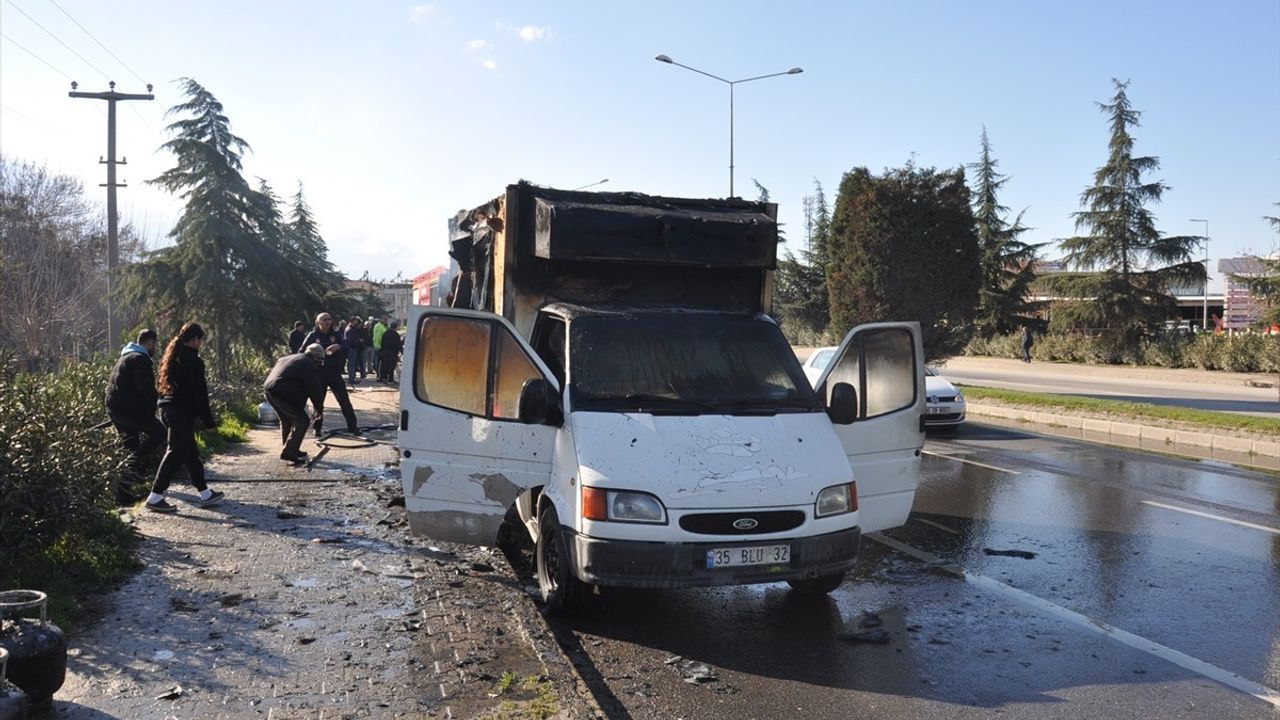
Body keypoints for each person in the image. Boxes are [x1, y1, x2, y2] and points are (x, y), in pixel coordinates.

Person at [145, 322, 225, 514]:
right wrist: (209, 422)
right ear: (195, 339)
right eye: (201, 340)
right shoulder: (193, 361)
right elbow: (200, 394)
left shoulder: (173, 357)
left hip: (167, 409)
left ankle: (204, 493)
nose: (201, 344)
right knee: (175, 452)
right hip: (181, 412)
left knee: (190, 453)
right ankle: (155, 495)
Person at [106, 329, 164, 498]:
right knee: (159, 432)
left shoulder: (125, 356)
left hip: (115, 409)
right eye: (155, 345)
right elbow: (146, 390)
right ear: (151, 343)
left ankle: (122, 493)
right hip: (128, 411)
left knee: (130, 445)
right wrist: (160, 399)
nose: (155, 349)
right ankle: (135, 466)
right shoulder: (140, 360)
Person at [301, 312, 361, 437]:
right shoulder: (313, 335)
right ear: (318, 322)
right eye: (324, 320)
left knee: (344, 400)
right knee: (318, 402)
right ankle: (317, 428)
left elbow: (346, 346)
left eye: (329, 319)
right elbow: (301, 352)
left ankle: (353, 426)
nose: (327, 322)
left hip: (334, 372)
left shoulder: (335, 334)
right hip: (319, 374)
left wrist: (338, 346)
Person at [265, 344, 326, 464]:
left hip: (269, 391)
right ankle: (289, 452)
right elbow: (313, 389)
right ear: (316, 357)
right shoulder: (308, 365)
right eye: (320, 360)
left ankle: (290, 448)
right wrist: (319, 409)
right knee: (302, 421)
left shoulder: (292, 358)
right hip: (283, 394)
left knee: (286, 421)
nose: (320, 363)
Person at [344, 314, 366, 384]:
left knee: (353, 364)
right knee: (351, 364)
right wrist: (358, 340)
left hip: (354, 348)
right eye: (355, 321)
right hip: (352, 348)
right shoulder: (350, 329)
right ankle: (351, 379)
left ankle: (352, 378)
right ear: (353, 321)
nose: (356, 323)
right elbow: (350, 339)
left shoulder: (352, 328)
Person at [371, 314, 388, 379]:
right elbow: (377, 337)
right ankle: (379, 375)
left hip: (381, 346)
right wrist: (378, 346)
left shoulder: (383, 326)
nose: (387, 321)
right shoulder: (379, 326)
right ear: (382, 319)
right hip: (379, 347)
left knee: (380, 362)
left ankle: (380, 374)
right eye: (386, 320)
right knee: (379, 363)